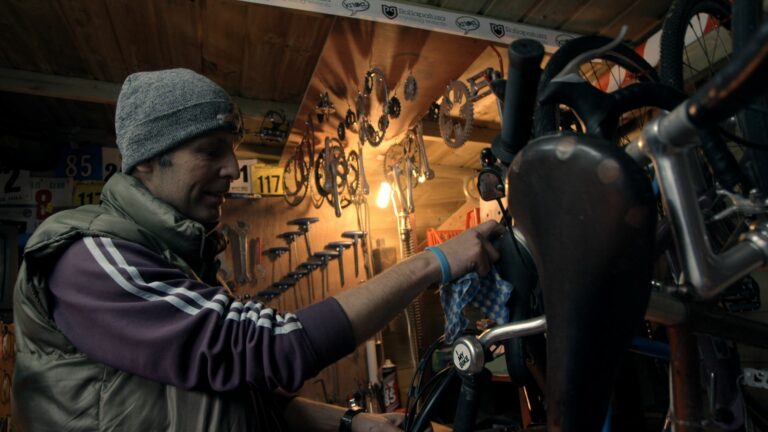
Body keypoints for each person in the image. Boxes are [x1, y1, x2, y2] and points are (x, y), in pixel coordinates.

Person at [12, 68, 502, 431]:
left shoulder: (180, 263)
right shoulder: (86, 258)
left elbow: (239, 390)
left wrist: (351, 424)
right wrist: (433, 262)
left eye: (230, 150)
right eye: (210, 151)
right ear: (147, 160)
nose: (232, 169)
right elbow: (269, 348)